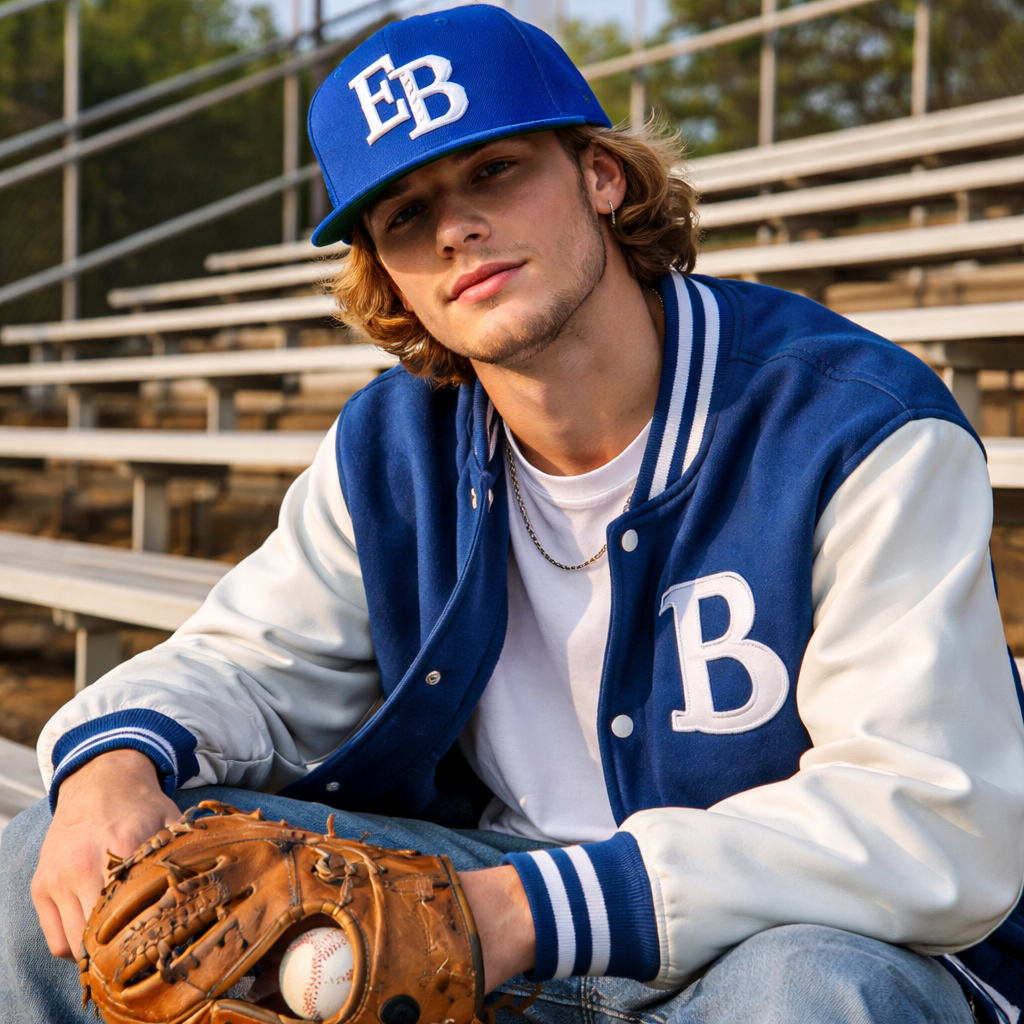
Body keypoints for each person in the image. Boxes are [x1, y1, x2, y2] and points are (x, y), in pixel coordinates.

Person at [3, 6, 1024, 1022]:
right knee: (53, 857)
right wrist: (109, 763)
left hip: (764, 938)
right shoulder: (394, 448)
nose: (454, 228)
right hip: (483, 907)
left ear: (600, 175)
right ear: (389, 274)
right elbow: (245, 665)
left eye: (492, 170)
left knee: (813, 994)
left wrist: (527, 911)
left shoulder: (853, 423)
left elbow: (935, 816)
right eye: (405, 214)